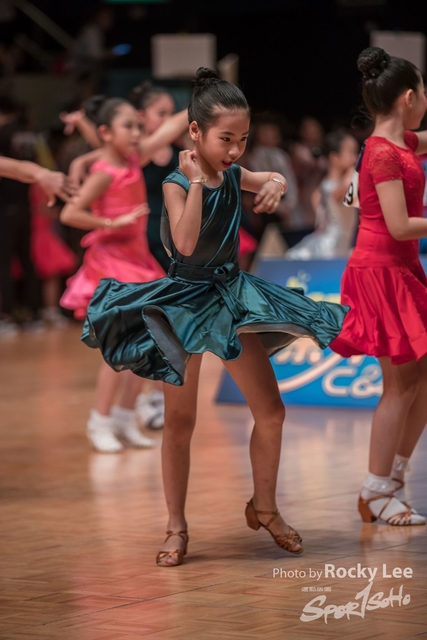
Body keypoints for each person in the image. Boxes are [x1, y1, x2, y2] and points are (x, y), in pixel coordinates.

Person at [81, 68, 348, 565]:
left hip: (230, 297)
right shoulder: (175, 183)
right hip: (183, 303)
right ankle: (176, 525)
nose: (235, 150)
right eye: (226, 139)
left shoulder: (233, 172)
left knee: (271, 411)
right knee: (180, 423)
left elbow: (271, 179)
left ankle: (264, 507)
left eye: (243, 139)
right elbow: (184, 244)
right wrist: (199, 184)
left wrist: (275, 184)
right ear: (195, 131)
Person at [330, 47, 427, 526]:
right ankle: (374, 488)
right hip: (381, 271)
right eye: (424, 92)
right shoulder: (383, 153)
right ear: (409, 97)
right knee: (400, 383)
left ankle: (393, 478)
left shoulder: (402, 142)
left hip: (401, 269)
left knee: (421, 378)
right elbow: (400, 225)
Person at [60, 96, 189, 453]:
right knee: (119, 347)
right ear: (105, 132)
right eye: (128, 126)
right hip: (111, 265)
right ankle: (99, 421)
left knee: (145, 345)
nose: (136, 132)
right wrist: (111, 222)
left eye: (138, 126)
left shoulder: (134, 159)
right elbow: (70, 213)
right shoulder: (104, 172)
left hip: (138, 263)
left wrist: (202, 100)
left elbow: (169, 129)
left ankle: (124, 417)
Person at [0, 97, 70, 336]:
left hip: (13, 209)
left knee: (11, 262)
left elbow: (16, 168)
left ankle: (10, 316)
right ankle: (32, 313)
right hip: (24, 210)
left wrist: (43, 175)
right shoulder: (30, 136)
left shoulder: (5, 134)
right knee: (24, 261)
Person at [285, 129, 359, 259]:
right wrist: (356, 168)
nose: (355, 157)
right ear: (334, 158)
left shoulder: (322, 188)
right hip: (329, 250)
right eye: (351, 152)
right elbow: (346, 188)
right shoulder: (338, 187)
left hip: (341, 248)